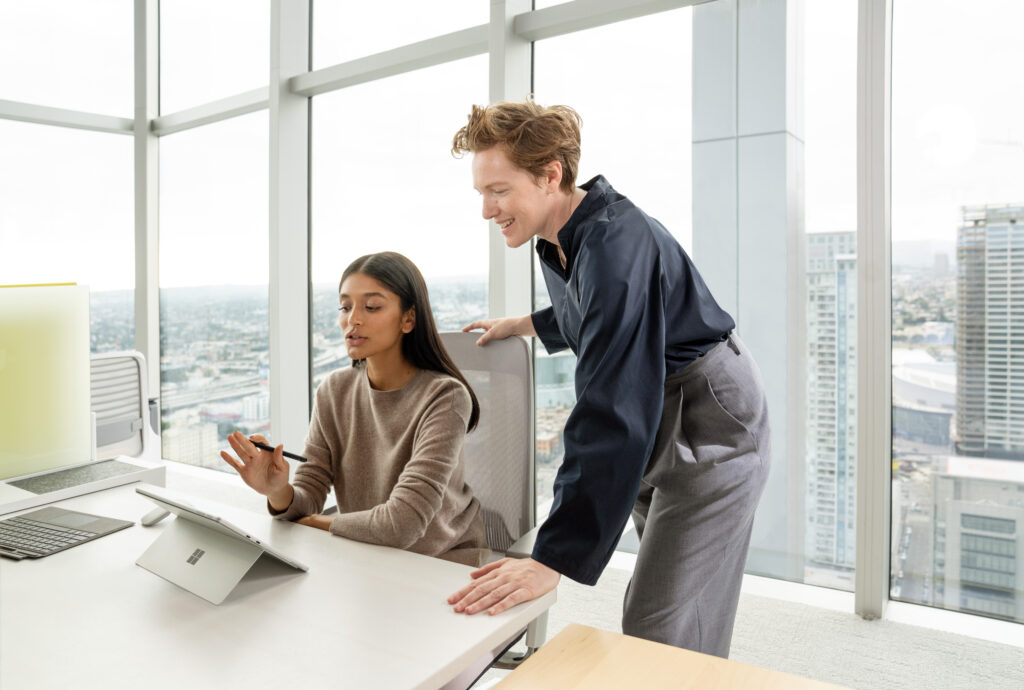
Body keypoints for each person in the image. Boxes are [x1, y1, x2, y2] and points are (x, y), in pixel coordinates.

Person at [445, 100, 771, 658]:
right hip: (658, 404)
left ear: (550, 174)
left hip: (707, 416)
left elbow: (610, 406)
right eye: (481, 193)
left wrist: (551, 558)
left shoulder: (617, 243)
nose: (486, 210)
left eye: (497, 190)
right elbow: (593, 311)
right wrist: (526, 323)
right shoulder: (561, 231)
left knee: (662, 625)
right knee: (670, 601)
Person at [221, 251, 489, 567]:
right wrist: (279, 492)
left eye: (371, 306)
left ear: (408, 319)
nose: (353, 319)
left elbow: (403, 524)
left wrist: (320, 525)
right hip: (365, 556)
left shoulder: (445, 397)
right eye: (345, 307)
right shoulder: (334, 391)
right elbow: (308, 497)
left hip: (442, 566)